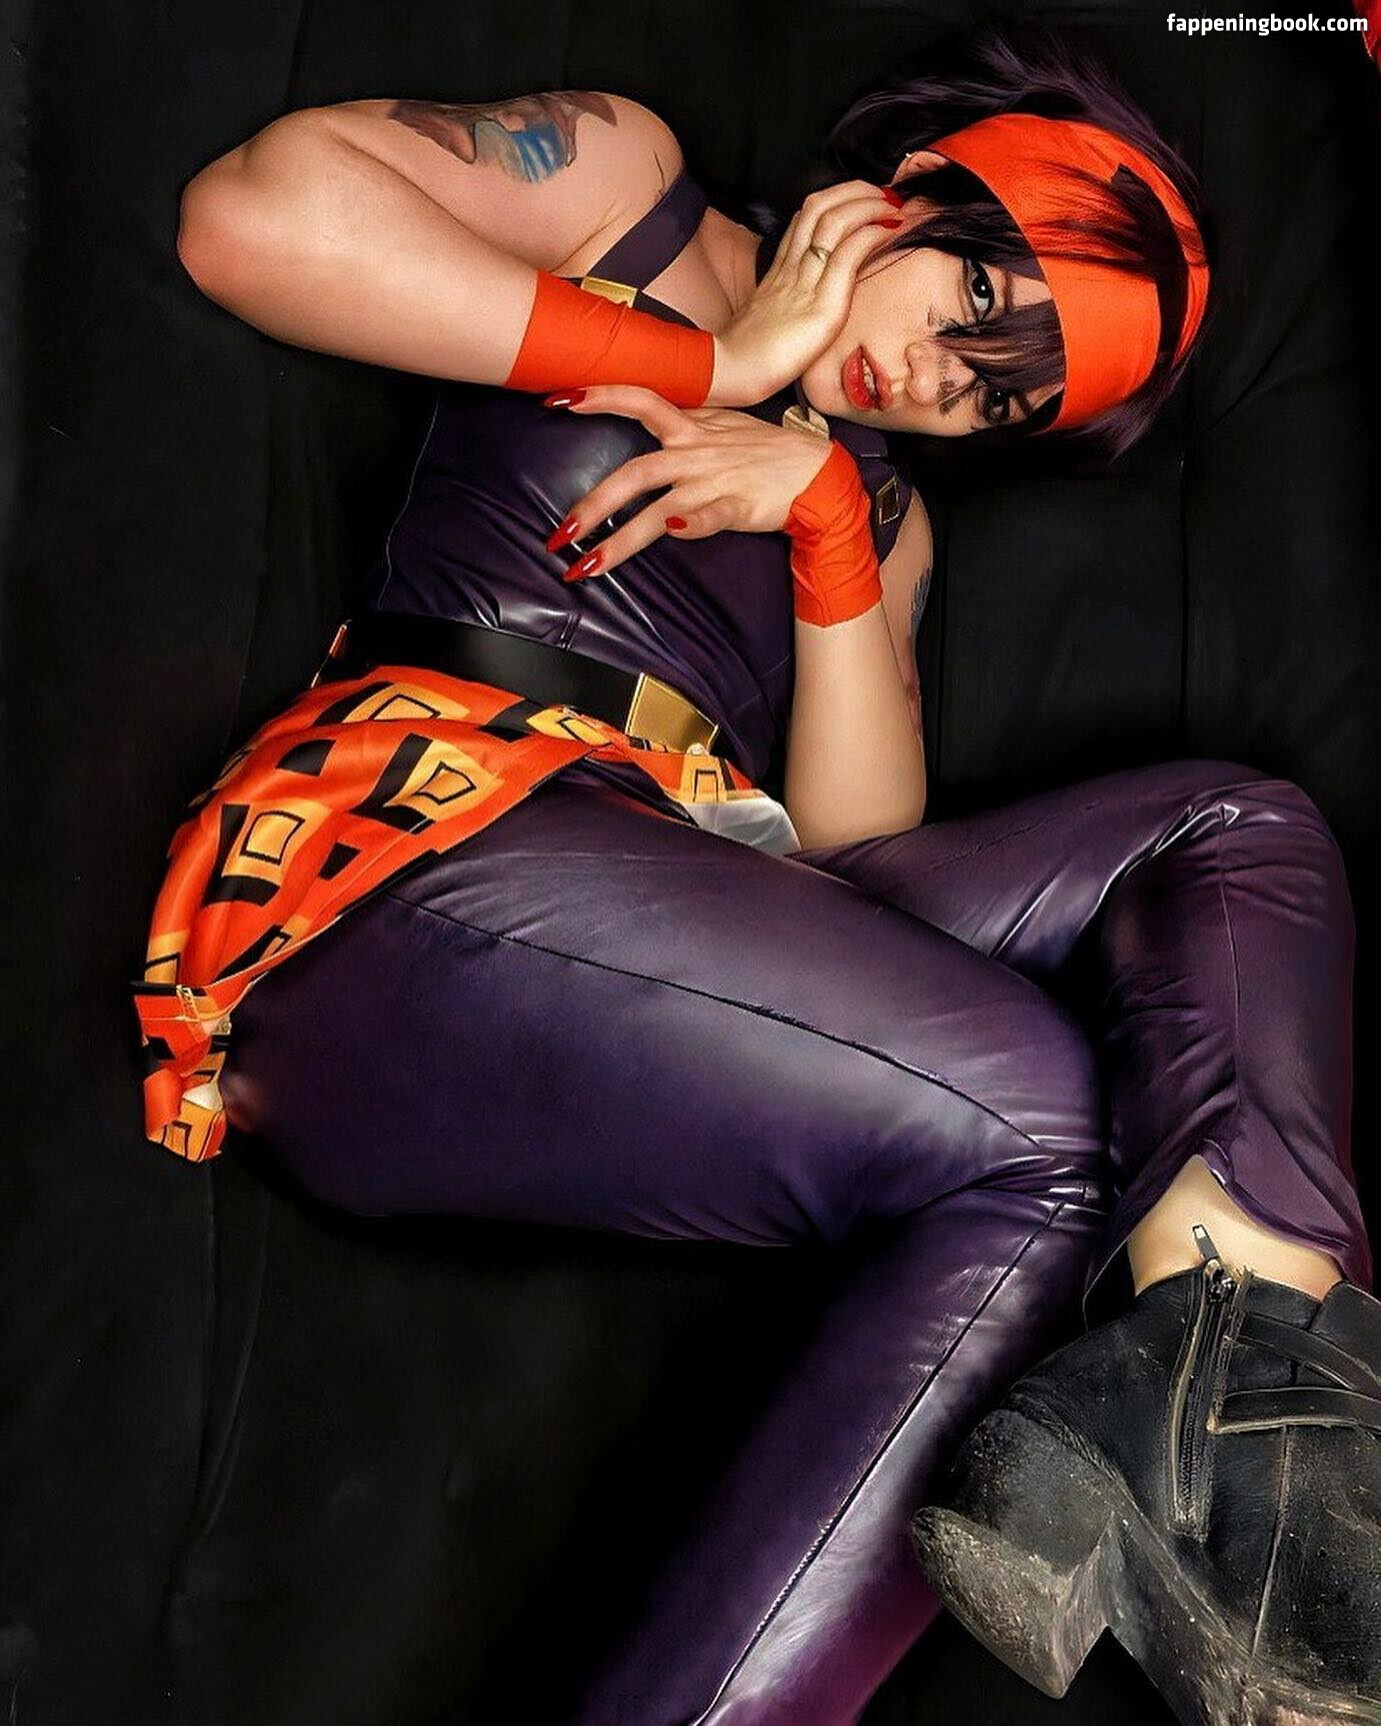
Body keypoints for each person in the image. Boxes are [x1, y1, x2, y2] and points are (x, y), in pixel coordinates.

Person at [138, 25, 1379, 1726]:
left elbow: (854, 868)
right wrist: (725, 359)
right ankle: (1237, 1464)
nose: (939, 382)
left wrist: (824, 522)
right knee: (1038, 1117)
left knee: (1238, 833)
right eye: (973, 304)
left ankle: (1242, 1425)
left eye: (996, 396)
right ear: (919, 190)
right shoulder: (631, 197)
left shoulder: (884, 508)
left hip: (669, 889)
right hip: (404, 864)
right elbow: (253, 220)